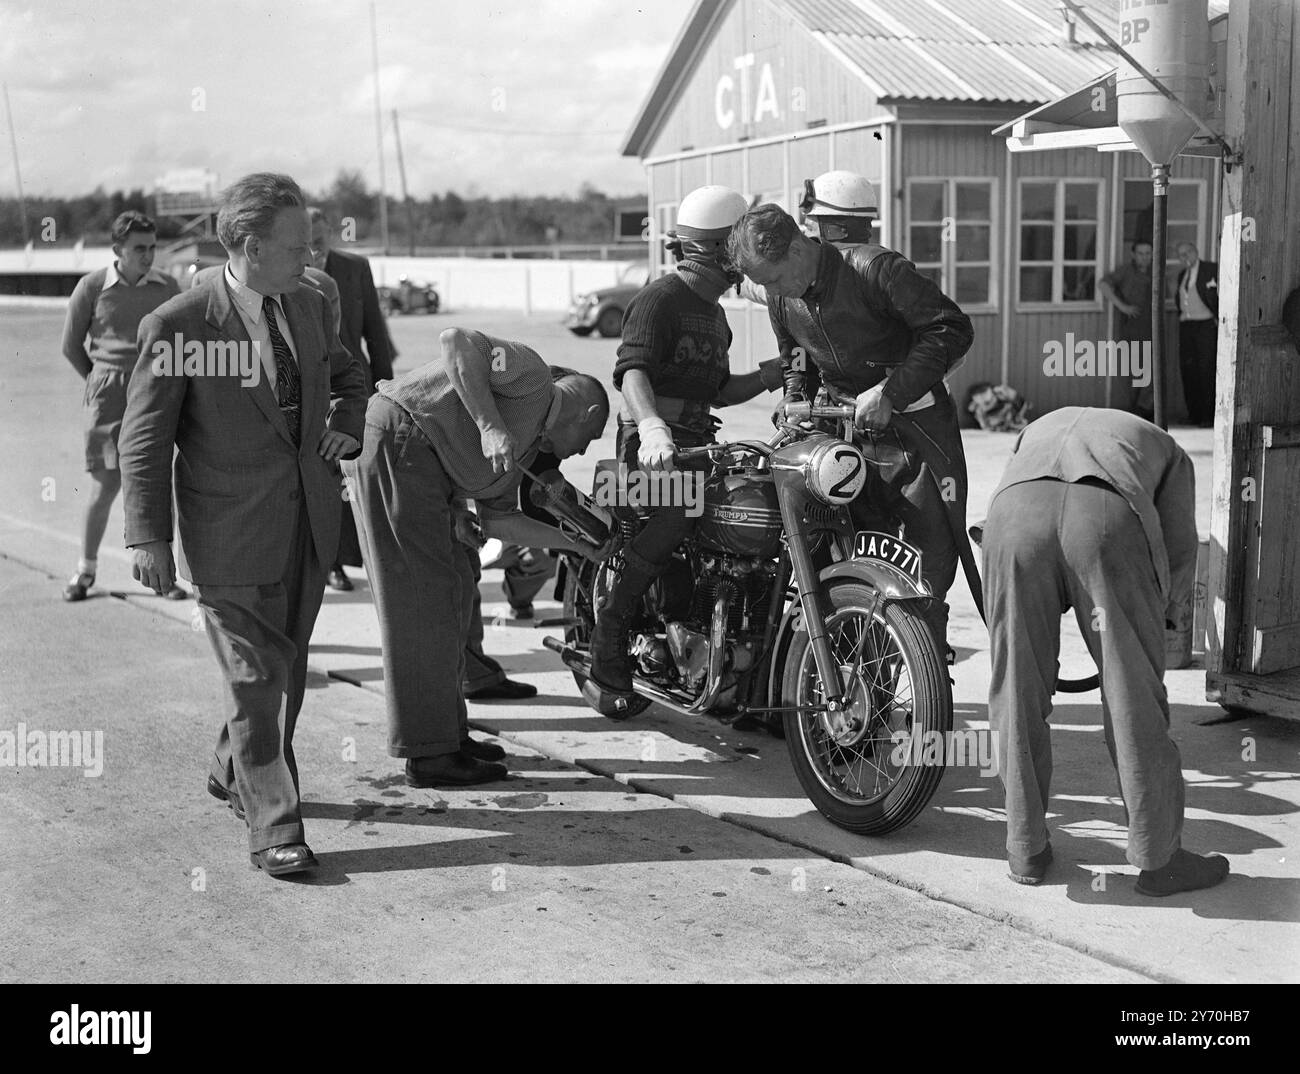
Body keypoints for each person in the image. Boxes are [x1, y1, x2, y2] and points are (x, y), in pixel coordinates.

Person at [119, 173, 368, 879]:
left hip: (310, 522)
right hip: (226, 532)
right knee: (257, 675)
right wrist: (148, 536)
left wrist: (346, 428)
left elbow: (351, 377)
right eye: (298, 244)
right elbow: (143, 438)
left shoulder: (313, 301)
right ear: (250, 246)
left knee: (281, 672)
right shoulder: (180, 323)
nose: (312, 253)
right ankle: (274, 824)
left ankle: (233, 765)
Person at [343, 327, 611, 787]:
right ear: (585, 413)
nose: (583, 451)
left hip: (425, 470)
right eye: (590, 439)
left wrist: (580, 546)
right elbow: (455, 342)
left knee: (457, 588)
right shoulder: (532, 376)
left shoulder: (530, 449)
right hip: (400, 444)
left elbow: (499, 523)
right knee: (421, 604)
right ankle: (429, 756)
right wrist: (490, 426)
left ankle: (448, 734)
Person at [982, 406, 1229, 896]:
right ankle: (1160, 861)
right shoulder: (1167, 448)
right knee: (1130, 690)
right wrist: (1168, 613)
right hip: (1105, 520)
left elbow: (1019, 475)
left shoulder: (1038, 427)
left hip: (1012, 520)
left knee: (1016, 686)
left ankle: (1024, 848)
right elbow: (1180, 542)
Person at [726, 203, 974, 662]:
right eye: (763, 284)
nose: (772, 292)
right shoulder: (781, 294)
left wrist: (891, 391)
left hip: (918, 433)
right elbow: (795, 358)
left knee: (930, 561)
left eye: (775, 279)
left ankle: (926, 668)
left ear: (799, 248)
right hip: (844, 436)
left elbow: (952, 329)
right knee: (847, 552)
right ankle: (857, 684)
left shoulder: (875, 269)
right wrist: (795, 395)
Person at [586, 186, 785, 707]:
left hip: (702, 447)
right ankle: (609, 629)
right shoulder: (659, 299)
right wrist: (653, 428)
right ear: (718, 248)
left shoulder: (716, 316)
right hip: (649, 448)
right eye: (740, 244)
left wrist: (773, 374)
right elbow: (632, 371)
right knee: (677, 514)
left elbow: (718, 389)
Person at [60, 211, 183, 602]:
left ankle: (164, 576)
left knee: (157, 482)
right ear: (118, 250)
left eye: (152, 247)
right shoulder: (92, 286)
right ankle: (85, 570)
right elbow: (70, 346)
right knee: (105, 484)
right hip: (108, 392)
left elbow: (181, 342)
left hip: (154, 392)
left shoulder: (168, 286)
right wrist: (101, 383)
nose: (148, 256)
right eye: (139, 249)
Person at [308, 206, 396, 591]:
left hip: (353, 385)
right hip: (314, 387)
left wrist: (387, 390)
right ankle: (330, 561)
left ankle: (353, 555)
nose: (311, 249)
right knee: (326, 475)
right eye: (304, 241)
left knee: (355, 473)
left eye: (317, 239)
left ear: (328, 233)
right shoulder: (291, 274)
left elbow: (375, 329)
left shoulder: (355, 267)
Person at [1098, 240, 1155, 420]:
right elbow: (1103, 285)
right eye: (1140, 253)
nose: (1144, 257)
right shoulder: (1126, 271)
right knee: (1136, 368)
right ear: (1133, 254)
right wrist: (1122, 307)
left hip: (1154, 326)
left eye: (1148, 253)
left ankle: (1146, 408)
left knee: (1153, 368)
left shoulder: (1156, 271)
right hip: (1133, 326)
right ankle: (1138, 409)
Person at [1175, 242, 1219, 426]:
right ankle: (1194, 414)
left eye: (1187, 253)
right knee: (1189, 371)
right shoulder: (1181, 276)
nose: (1184, 258)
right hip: (1187, 326)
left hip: (1206, 326)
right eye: (1180, 255)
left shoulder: (1211, 269)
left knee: (1206, 371)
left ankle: (1208, 416)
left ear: (1196, 252)